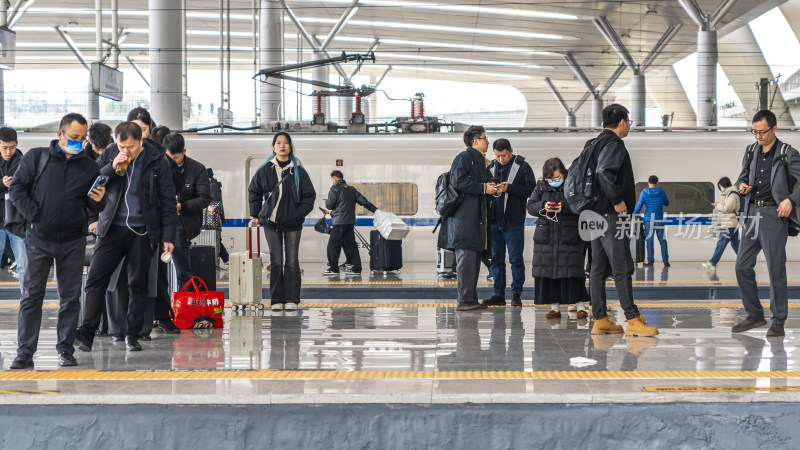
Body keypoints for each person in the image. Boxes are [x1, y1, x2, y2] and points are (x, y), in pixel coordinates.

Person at [8, 113, 107, 369]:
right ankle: (25, 352)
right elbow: (17, 188)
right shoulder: (37, 158)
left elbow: (92, 205)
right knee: (32, 296)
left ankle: (65, 349)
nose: (79, 142)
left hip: (73, 241)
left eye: (82, 138)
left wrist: (99, 199)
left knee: (70, 297)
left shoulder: (88, 166)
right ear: (60, 134)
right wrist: (35, 215)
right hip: (38, 239)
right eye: (74, 137)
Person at [75, 121, 178, 352]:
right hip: (111, 228)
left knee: (137, 284)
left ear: (141, 140)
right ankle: (87, 332)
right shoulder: (111, 154)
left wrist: (168, 236)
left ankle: (132, 334)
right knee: (95, 279)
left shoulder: (157, 161)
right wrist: (112, 166)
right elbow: (92, 184)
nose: (126, 151)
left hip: (143, 231)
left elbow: (168, 201)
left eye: (130, 146)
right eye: (122, 146)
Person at [588, 104, 658, 337]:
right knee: (622, 267)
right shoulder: (614, 144)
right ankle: (632, 319)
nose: (629, 126)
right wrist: (617, 199)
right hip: (610, 214)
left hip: (594, 214)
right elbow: (603, 173)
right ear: (621, 121)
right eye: (628, 122)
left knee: (597, 268)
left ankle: (600, 319)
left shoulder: (595, 142)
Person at [733, 110, 800, 337]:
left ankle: (778, 320)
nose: (758, 136)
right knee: (741, 266)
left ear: (774, 129)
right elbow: (742, 176)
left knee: (775, 269)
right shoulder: (751, 151)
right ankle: (754, 315)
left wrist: (791, 200)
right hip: (751, 212)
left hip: (774, 214)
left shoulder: (787, 153)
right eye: (754, 132)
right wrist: (742, 186)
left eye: (762, 132)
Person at [249, 132, 316, 312]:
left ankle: (292, 299)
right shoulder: (264, 170)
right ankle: (277, 299)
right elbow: (253, 192)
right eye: (278, 143)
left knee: (292, 261)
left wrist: (298, 214)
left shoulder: (298, 171)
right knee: (276, 260)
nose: (282, 145)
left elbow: (309, 195)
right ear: (273, 147)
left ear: (290, 147)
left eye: (286, 143)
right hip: (271, 223)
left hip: (293, 223)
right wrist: (255, 215)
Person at [439, 125, 498, 311]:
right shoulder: (464, 158)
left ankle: (471, 299)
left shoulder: (480, 161)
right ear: (475, 141)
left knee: (472, 262)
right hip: (463, 220)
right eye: (484, 138)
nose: (488, 141)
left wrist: (494, 187)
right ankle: (464, 300)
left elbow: (482, 183)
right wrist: (483, 188)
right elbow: (458, 181)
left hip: (475, 220)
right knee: (466, 262)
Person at [528, 158, 589, 318]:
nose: (553, 181)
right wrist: (544, 206)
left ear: (563, 172)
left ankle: (580, 306)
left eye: (556, 178)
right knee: (550, 274)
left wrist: (566, 208)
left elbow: (582, 204)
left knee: (573, 273)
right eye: (550, 179)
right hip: (546, 236)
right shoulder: (541, 186)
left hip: (568, 235)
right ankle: (554, 308)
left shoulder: (573, 184)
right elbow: (531, 206)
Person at [484, 138, 535, 307]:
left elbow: (530, 189)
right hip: (494, 221)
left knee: (515, 259)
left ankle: (516, 294)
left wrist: (509, 188)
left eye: (504, 155)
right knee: (496, 260)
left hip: (513, 222)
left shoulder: (522, 166)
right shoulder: (490, 167)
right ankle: (498, 294)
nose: (501, 159)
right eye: (497, 156)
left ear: (511, 151)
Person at [163, 132, 211, 288]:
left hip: (180, 222)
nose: (173, 161)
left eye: (176, 157)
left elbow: (204, 198)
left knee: (183, 270)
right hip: (159, 221)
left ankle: (186, 308)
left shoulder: (197, 169)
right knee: (157, 270)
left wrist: (181, 206)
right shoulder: (159, 167)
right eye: (170, 157)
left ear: (184, 151)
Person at [321, 170, 377, 276]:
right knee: (352, 246)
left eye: (332, 179)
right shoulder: (351, 189)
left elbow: (330, 205)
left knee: (333, 245)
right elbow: (364, 202)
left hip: (339, 223)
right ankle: (356, 269)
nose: (332, 181)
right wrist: (376, 210)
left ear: (335, 178)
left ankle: (333, 269)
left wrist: (327, 202)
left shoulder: (334, 188)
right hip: (350, 222)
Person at [0, 127, 27, 296]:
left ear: (17, 144)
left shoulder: (24, 163)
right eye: (4, 148)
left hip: (17, 222)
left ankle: (27, 304)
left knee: (24, 266)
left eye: (12, 147)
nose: (9, 152)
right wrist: (2, 184)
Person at [702, 176, 741, 271]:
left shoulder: (732, 195)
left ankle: (712, 263)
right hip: (732, 223)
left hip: (730, 223)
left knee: (721, 243)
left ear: (722, 185)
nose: (720, 189)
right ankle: (744, 261)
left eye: (720, 187)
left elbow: (727, 209)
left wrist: (717, 205)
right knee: (736, 246)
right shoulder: (730, 194)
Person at [633, 175, 670, 267]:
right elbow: (667, 203)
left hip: (649, 220)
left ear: (648, 183)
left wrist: (633, 214)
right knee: (663, 240)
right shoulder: (661, 192)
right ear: (657, 183)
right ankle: (665, 261)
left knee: (649, 241)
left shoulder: (644, 192)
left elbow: (639, 206)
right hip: (659, 220)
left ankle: (650, 261)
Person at [205, 167, 229, 267]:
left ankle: (226, 259)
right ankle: (225, 260)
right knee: (216, 240)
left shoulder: (212, 186)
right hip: (213, 219)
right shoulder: (212, 185)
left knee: (216, 240)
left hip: (212, 219)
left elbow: (214, 204)